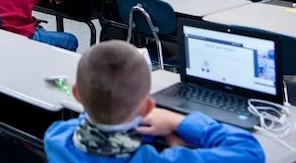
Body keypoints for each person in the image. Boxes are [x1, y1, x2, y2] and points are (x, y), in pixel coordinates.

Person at [44, 40, 264, 162]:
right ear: (148, 105)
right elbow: (249, 151)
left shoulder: (56, 136)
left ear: (76, 94)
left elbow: (92, 126)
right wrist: (179, 122)